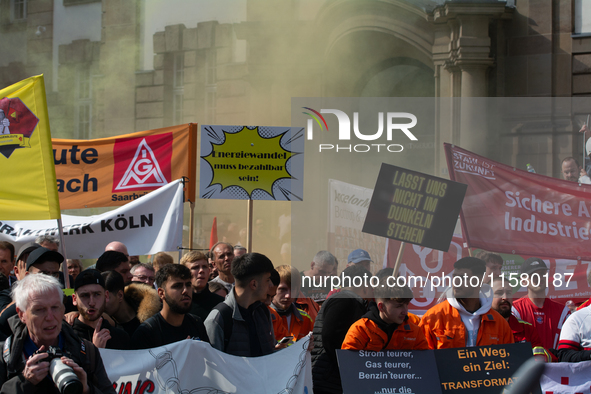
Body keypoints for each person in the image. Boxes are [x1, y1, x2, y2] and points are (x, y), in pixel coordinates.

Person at [0, 273, 115, 394]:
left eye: (55, 307)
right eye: (39, 310)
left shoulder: (86, 351)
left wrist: (86, 389)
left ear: (63, 309)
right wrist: (24, 382)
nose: (50, 317)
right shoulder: (5, 356)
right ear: (21, 314)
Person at [420, 257, 513, 349]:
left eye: (462, 278)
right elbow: (423, 359)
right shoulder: (433, 317)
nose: (456, 282)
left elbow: (510, 359)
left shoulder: (499, 323)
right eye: (454, 277)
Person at [311, 264, 373, 394]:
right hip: (329, 377)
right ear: (365, 286)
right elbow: (330, 336)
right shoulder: (346, 300)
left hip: (329, 375)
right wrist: (345, 364)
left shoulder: (347, 300)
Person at [204, 252, 276, 356]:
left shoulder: (263, 312)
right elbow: (213, 365)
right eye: (267, 280)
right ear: (254, 284)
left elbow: (271, 354)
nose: (270, 285)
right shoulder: (218, 319)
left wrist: (301, 348)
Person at [131, 264, 209, 349]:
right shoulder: (147, 331)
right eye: (177, 286)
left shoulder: (196, 323)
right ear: (161, 293)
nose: (185, 291)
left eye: (188, 285)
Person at [342, 276, 428, 351]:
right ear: (381, 307)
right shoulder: (361, 330)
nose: (405, 311)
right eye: (399, 306)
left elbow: (423, 364)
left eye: (407, 305)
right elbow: (349, 365)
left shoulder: (414, 332)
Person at [512, 257, 570, 350]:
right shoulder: (515, 309)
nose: (539, 278)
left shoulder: (563, 311)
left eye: (542, 274)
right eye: (534, 275)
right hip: (527, 364)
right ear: (523, 280)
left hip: (556, 363)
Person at [490, 276, 552, 362]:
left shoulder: (528, 329)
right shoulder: (478, 327)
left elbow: (539, 361)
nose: (505, 297)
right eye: (499, 293)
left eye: (509, 293)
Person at [71, 269, 130, 349]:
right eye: (85, 295)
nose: (91, 303)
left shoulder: (120, 337)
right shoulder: (66, 336)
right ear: (74, 299)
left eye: (97, 294)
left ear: (106, 296)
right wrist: (95, 350)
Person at [101, 271, 161, 338]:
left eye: (105, 298)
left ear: (120, 295)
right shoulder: (103, 327)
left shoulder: (156, 317)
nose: (99, 304)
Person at [269, 265, 313, 343]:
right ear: (273, 288)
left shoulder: (305, 318)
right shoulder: (262, 316)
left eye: (292, 289)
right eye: (282, 289)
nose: (288, 295)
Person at [180, 251, 224, 321]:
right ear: (184, 273)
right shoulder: (178, 304)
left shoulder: (221, 304)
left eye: (204, 267)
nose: (201, 271)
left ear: (209, 271)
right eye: (195, 267)